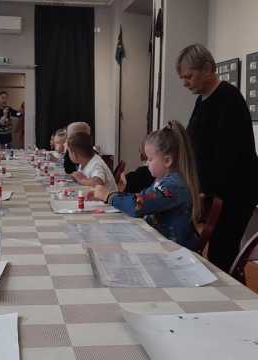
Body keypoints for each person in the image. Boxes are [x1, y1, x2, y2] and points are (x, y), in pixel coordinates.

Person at [177, 43, 258, 271]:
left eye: (189, 77)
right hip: (214, 191)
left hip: (233, 194)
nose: (185, 83)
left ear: (208, 68)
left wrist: (204, 190)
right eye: (183, 78)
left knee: (223, 256)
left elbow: (226, 155)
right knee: (217, 255)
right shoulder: (201, 99)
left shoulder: (229, 99)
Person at [94, 121, 201, 251]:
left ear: (167, 160)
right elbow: (142, 197)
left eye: (150, 159)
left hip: (175, 251)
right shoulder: (162, 181)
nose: (146, 164)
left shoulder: (173, 186)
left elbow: (138, 205)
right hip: (161, 242)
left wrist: (109, 196)